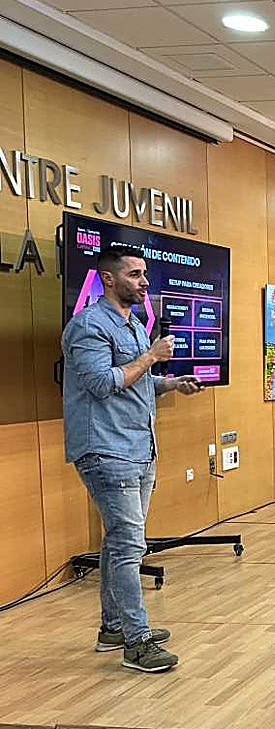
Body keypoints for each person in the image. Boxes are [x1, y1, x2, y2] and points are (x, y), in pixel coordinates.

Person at [62, 245, 204, 673]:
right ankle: (137, 644)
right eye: (135, 274)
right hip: (106, 450)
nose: (144, 282)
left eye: (145, 274)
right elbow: (103, 384)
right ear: (109, 279)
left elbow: (135, 382)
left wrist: (170, 383)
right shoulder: (88, 327)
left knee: (118, 543)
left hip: (138, 447)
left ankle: (113, 629)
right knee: (128, 546)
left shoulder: (134, 324)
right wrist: (152, 357)